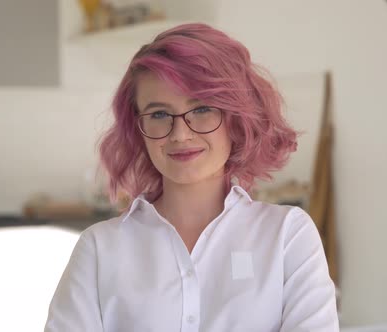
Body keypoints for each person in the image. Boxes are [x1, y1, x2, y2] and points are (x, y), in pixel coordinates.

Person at [45, 23, 339, 332]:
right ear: (138, 127)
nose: (181, 134)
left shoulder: (287, 235)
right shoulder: (98, 249)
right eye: (159, 114)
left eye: (201, 109)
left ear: (237, 119)